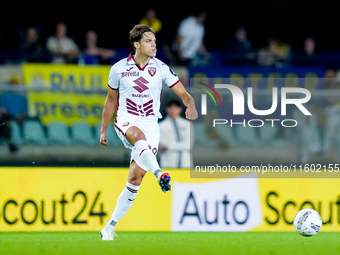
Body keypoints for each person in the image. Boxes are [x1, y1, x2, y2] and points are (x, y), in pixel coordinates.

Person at [99, 24, 198, 240]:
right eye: (148, 41)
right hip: (127, 121)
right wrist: (104, 129)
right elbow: (111, 100)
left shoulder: (160, 68)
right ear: (136, 44)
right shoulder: (118, 68)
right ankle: (160, 173)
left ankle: (109, 227)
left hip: (151, 124)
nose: (154, 45)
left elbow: (181, 91)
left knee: (135, 179)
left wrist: (189, 102)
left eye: (154, 41)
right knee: (138, 138)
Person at [159, 99, 193, 168]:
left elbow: (188, 145)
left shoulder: (187, 124)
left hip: (185, 163)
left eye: (175, 108)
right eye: (171, 108)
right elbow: (163, 145)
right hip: (168, 164)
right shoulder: (161, 126)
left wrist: (169, 146)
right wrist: (182, 146)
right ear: (167, 109)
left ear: (180, 109)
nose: (173, 110)